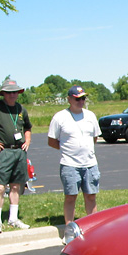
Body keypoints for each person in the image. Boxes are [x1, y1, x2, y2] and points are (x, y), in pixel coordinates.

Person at [48, 86, 101, 241]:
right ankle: (69, 231)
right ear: (69, 99)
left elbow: (95, 138)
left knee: (91, 196)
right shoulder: (60, 117)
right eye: (77, 98)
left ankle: (93, 228)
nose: (81, 101)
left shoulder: (90, 116)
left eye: (83, 98)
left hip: (90, 163)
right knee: (71, 196)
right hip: (69, 164)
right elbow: (52, 141)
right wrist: (67, 148)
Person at [0, 79, 32, 233]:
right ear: (3, 93)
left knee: (16, 185)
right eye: (9, 92)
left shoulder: (21, 109)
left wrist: (28, 140)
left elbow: (27, 127)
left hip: (19, 151)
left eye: (15, 92)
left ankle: (13, 218)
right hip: (3, 152)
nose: (13, 95)